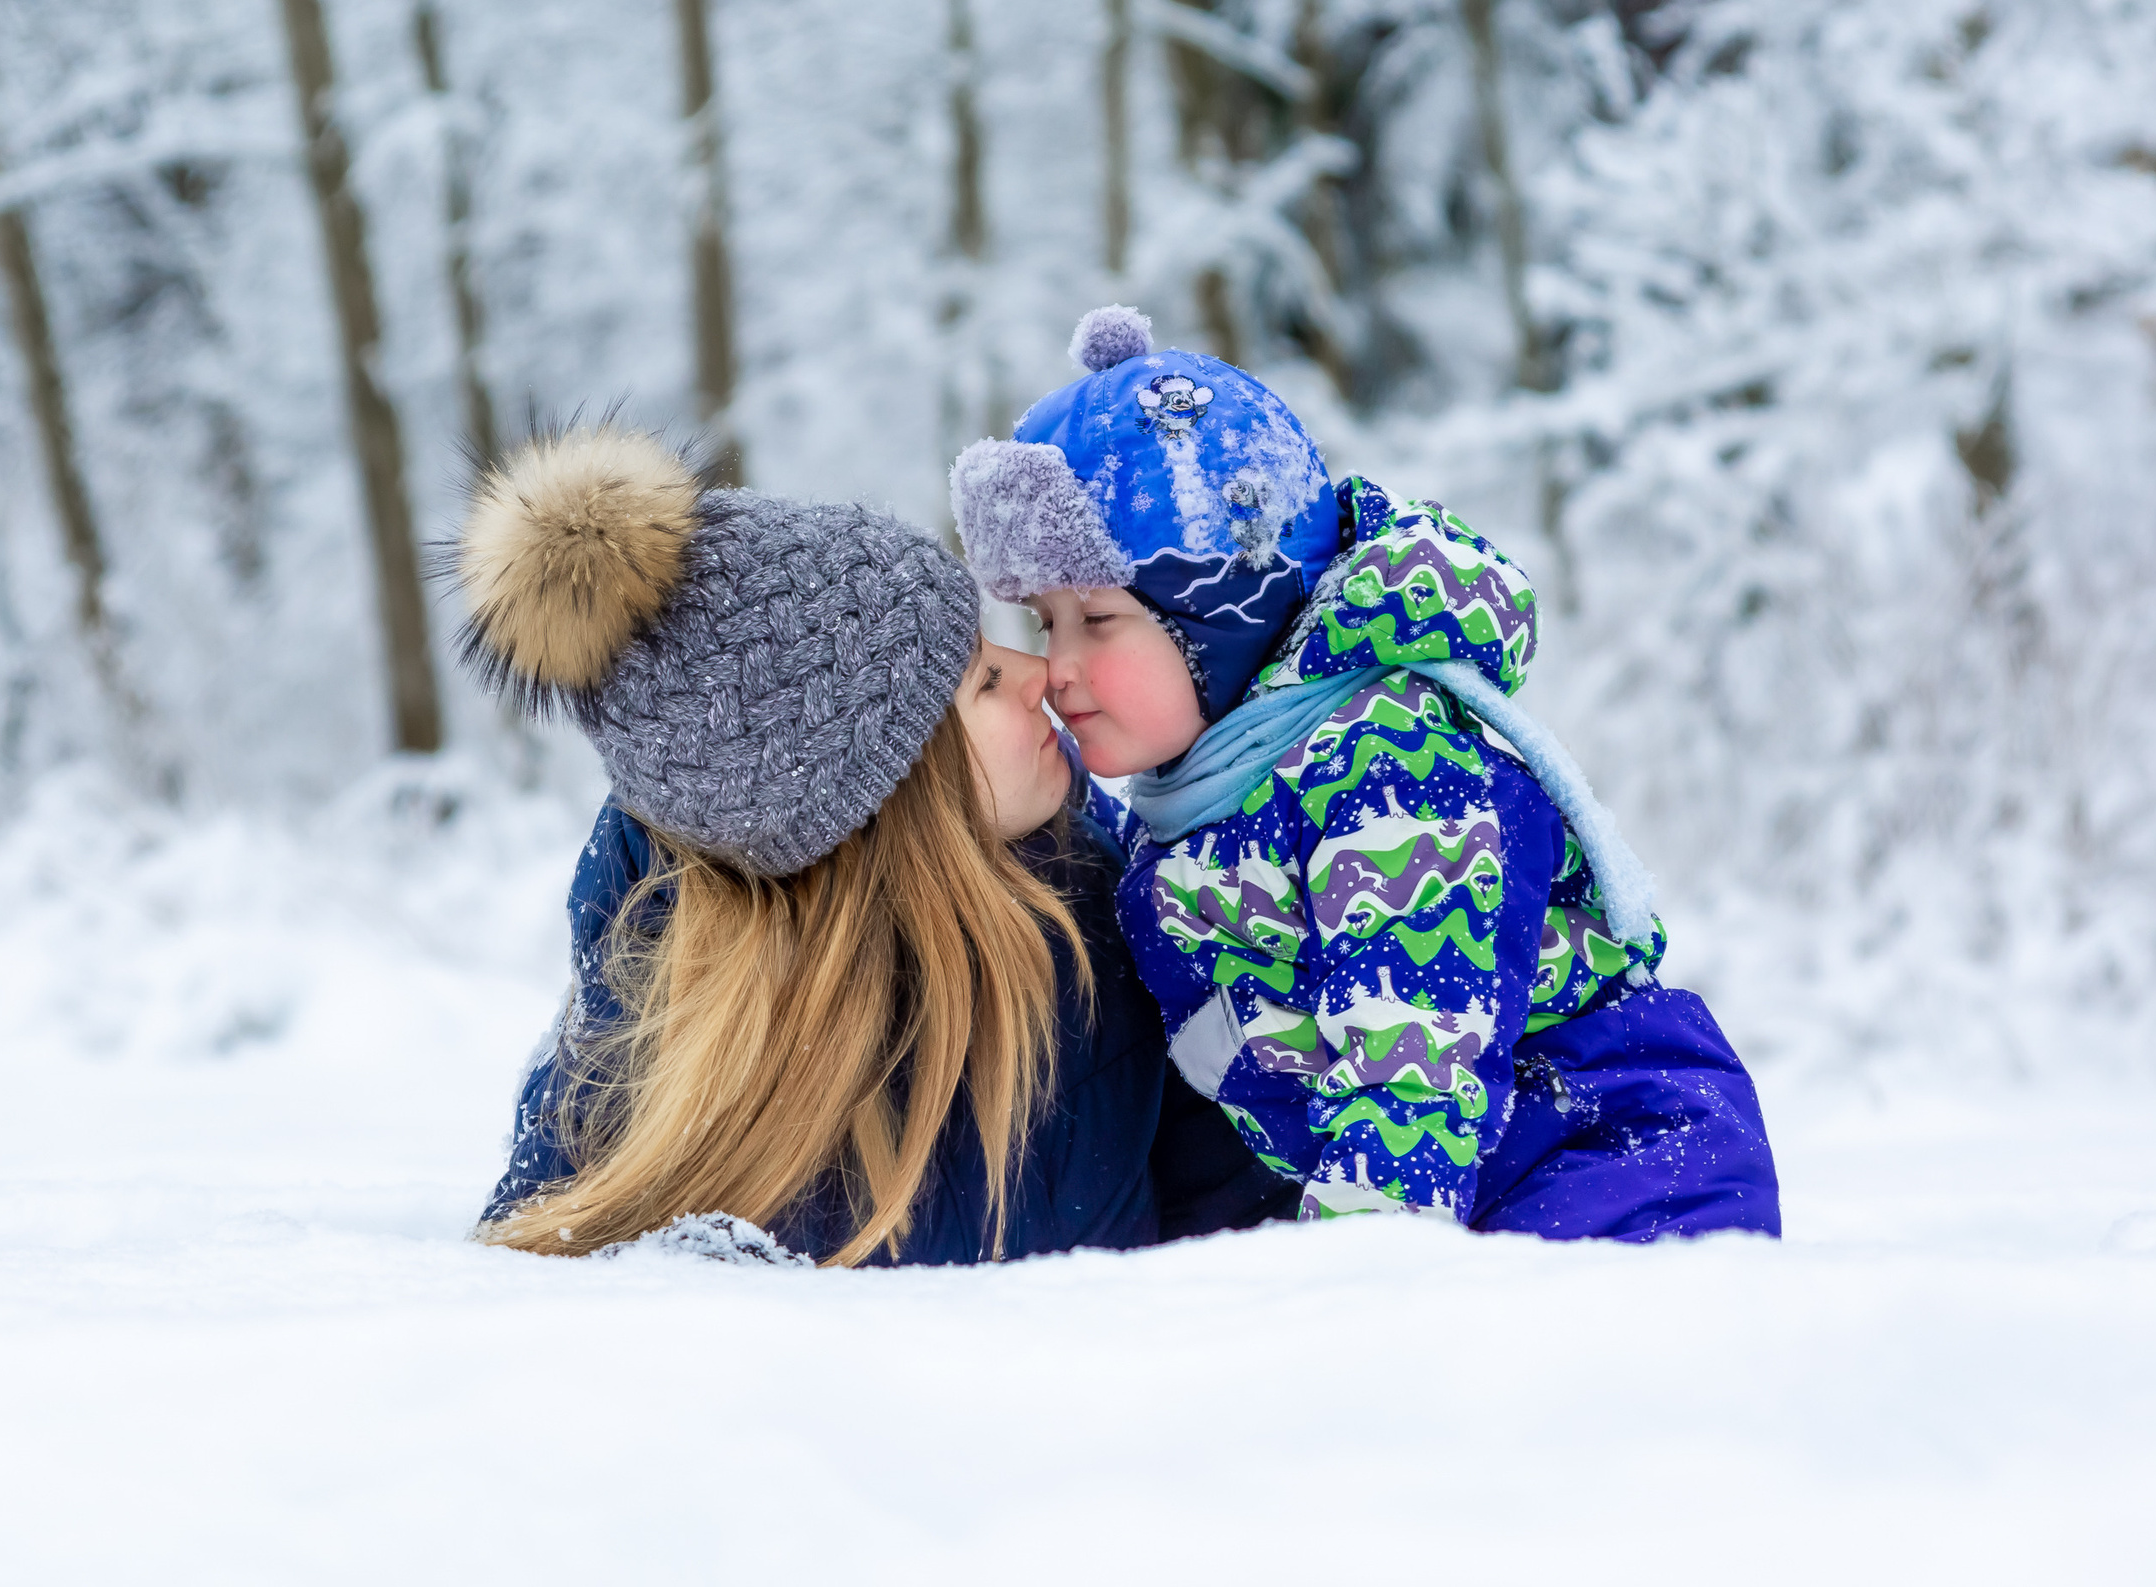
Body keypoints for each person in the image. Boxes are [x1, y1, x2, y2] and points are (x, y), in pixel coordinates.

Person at [949, 306, 1780, 1237]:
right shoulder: (1206, 781)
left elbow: (1416, 1063)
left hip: (1608, 1149)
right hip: (1485, 1176)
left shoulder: (1385, 767)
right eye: (1045, 622)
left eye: (1096, 621)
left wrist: (1357, 1282)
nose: (1056, 667)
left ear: (1218, 621)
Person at [457, 422, 1292, 1266]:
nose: (1038, 669)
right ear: (882, 801)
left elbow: (1268, 1232)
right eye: (984, 678)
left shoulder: (1112, 930)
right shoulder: (636, 1064)